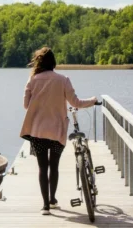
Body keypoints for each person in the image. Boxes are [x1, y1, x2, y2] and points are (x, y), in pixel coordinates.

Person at [20, 47, 97, 215]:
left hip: (38, 132)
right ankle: (53, 200)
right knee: (54, 166)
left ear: (38, 62)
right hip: (57, 131)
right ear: (54, 62)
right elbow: (75, 102)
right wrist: (92, 101)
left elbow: (26, 105)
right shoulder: (63, 80)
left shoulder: (32, 80)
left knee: (42, 167)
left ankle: (45, 206)